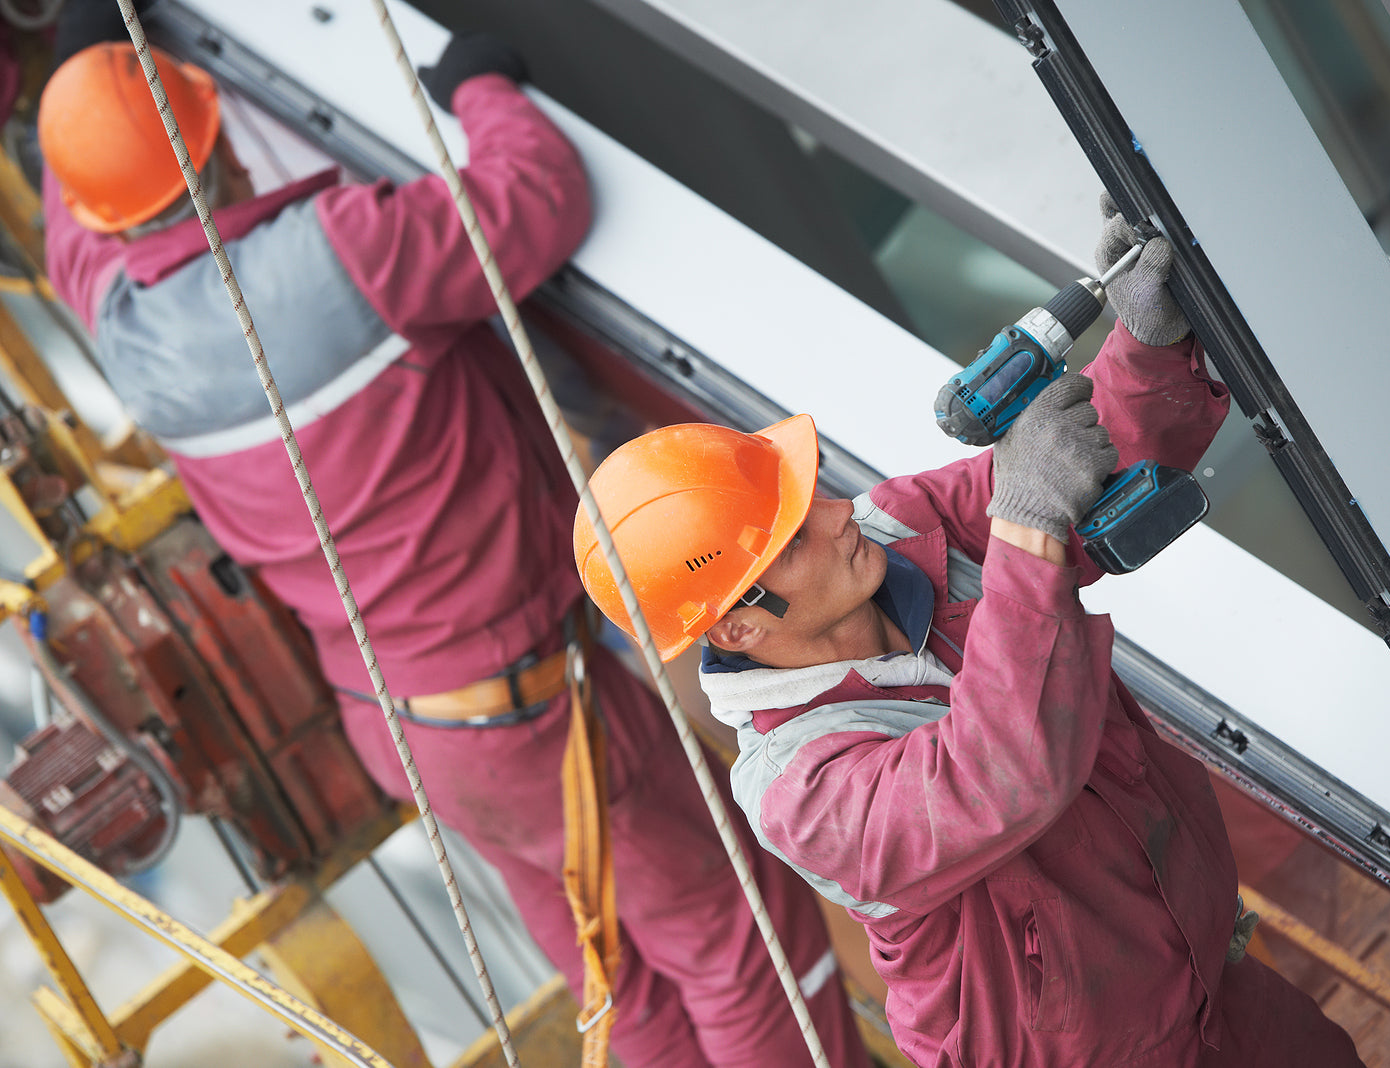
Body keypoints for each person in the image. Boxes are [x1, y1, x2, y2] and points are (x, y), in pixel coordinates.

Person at [39, 14, 869, 1068]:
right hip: (531, 719)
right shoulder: (340, 256)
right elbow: (538, 198)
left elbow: (81, 204)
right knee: (747, 949)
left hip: (410, 734)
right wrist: (481, 85)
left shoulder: (113, 312)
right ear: (219, 146)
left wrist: (82, 57)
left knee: (623, 982)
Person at [575, 198, 1368, 1066]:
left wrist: (1143, 340)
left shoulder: (892, 534)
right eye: (797, 536)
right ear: (736, 621)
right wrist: (1028, 523)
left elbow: (1076, 472)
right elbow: (1003, 772)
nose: (843, 516)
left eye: (809, 497)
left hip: (1205, 983)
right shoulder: (798, 793)